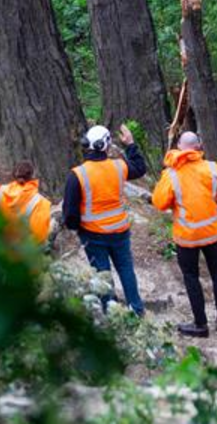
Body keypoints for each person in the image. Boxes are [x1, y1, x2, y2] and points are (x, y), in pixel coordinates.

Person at [151, 131, 217, 338]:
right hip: (212, 234)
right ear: (199, 146)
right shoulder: (213, 169)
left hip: (187, 238)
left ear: (179, 146)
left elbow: (159, 203)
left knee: (191, 278)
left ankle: (200, 325)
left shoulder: (171, 174)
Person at [63, 124, 147, 315]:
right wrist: (130, 144)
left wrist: (77, 228)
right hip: (120, 231)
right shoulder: (119, 166)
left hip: (93, 234)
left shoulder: (77, 174)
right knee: (126, 270)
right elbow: (140, 168)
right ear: (106, 145)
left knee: (102, 275)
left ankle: (111, 314)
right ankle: (136, 309)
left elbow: (69, 213)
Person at [0, 161, 53, 246]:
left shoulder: (0, 191)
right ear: (32, 176)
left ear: (14, 176)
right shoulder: (41, 202)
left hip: (0, 248)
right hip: (23, 251)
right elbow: (40, 236)